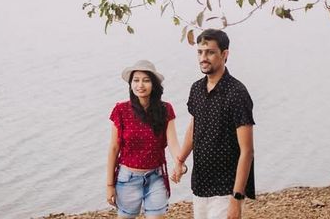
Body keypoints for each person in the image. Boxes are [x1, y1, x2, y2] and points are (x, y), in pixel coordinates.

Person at [173, 29, 255, 219]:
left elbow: (247, 151)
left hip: (226, 188)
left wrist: (236, 197)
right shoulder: (196, 89)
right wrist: (180, 160)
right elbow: (194, 128)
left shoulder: (237, 93)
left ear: (224, 54)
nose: (203, 57)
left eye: (210, 52)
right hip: (200, 185)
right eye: (200, 52)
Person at [106, 59, 182, 218]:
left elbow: (173, 142)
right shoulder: (121, 110)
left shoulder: (165, 109)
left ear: (154, 84)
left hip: (156, 177)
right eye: (136, 80)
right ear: (131, 84)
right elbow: (114, 148)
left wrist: (179, 164)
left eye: (146, 80)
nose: (140, 85)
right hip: (127, 179)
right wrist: (109, 185)